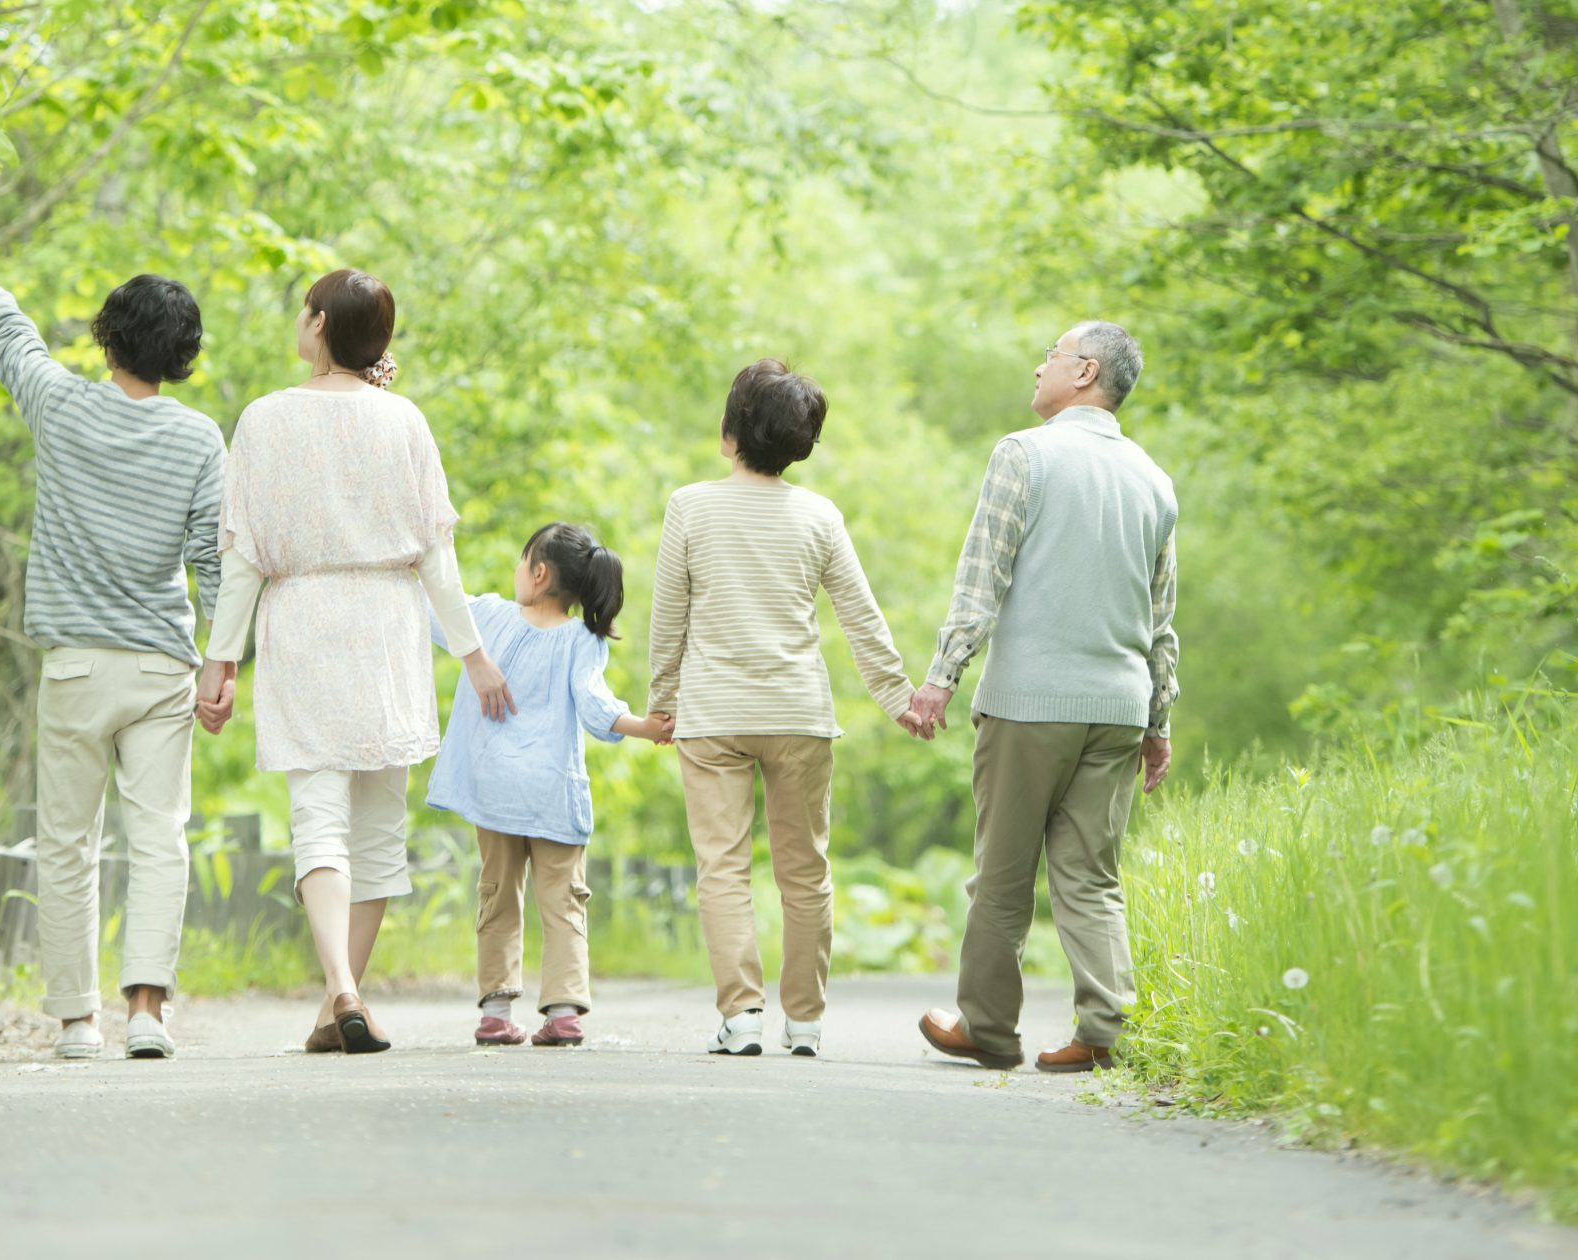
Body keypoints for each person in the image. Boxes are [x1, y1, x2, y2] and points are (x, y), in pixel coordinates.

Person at [197, 268, 508, 1055]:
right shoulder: (404, 421)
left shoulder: (264, 420)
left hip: (305, 621)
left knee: (319, 823)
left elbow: (243, 560)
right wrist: (473, 656)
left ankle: (339, 991)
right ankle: (344, 996)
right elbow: (440, 559)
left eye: (305, 310)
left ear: (321, 327)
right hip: (387, 629)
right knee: (376, 831)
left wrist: (221, 659)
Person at [0, 222, 228, 1064]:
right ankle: (147, 1010)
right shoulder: (198, 438)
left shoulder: (61, 407)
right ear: (182, 355)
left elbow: (13, 340)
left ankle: (76, 1020)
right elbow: (212, 561)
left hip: (72, 665)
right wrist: (223, 662)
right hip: (160, 667)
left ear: (108, 338)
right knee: (158, 837)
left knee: (66, 841)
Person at [908, 321, 1179, 1074]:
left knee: (1002, 874)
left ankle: (989, 1028)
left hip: (1032, 701)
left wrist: (941, 677)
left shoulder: (1023, 455)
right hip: (1119, 706)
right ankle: (1106, 1028)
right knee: (1091, 878)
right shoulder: (1154, 479)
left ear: (1085, 370)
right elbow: (1161, 620)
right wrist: (1159, 718)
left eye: (1052, 356)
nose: (1038, 366)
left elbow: (980, 579)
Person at [649, 359, 915, 1059]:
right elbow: (862, 617)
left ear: (731, 431)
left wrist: (661, 702)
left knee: (723, 868)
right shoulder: (819, 515)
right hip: (798, 713)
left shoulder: (690, 506)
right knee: (805, 871)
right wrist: (896, 697)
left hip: (714, 715)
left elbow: (667, 617)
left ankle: (740, 1018)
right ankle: (805, 1022)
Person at [427, 523, 674, 1049]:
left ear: (538, 573)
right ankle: (563, 1011)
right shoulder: (582, 640)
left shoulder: (488, 617)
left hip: (494, 792)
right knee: (563, 902)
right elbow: (593, 706)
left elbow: (431, 606)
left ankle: (495, 1011)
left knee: (496, 896)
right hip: (551, 793)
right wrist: (644, 727)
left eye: (522, 561)